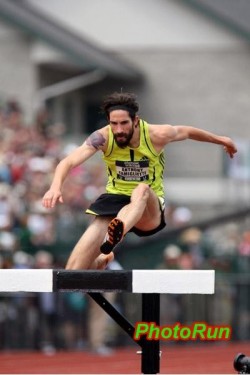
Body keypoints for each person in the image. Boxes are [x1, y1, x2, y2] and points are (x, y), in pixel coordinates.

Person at [42, 92, 237, 270]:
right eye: (113, 124)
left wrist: (221, 140)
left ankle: (117, 232)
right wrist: (55, 186)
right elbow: (68, 161)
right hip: (114, 201)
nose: (118, 130)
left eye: (124, 123)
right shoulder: (102, 137)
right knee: (73, 270)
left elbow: (188, 132)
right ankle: (101, 259)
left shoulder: (156, 134)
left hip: (147, 207)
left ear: (136, 121)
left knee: (141, 189)